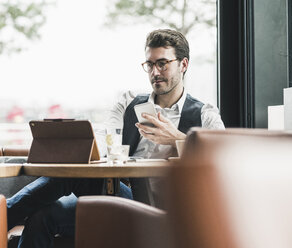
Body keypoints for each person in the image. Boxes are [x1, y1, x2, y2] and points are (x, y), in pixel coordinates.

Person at [7, 29, 225, 247]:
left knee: (72, 177)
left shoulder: (205, 114)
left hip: (171, 212)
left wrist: (176, 138)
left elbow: (225, 159)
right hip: (124, 195)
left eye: (162, 63)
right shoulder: (128, 103)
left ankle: (5, 214)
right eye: (149, 64)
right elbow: (105, 138)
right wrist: (85, 151)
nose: (155, 72)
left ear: (183, 65)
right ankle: (5, 214)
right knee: (43, 216)